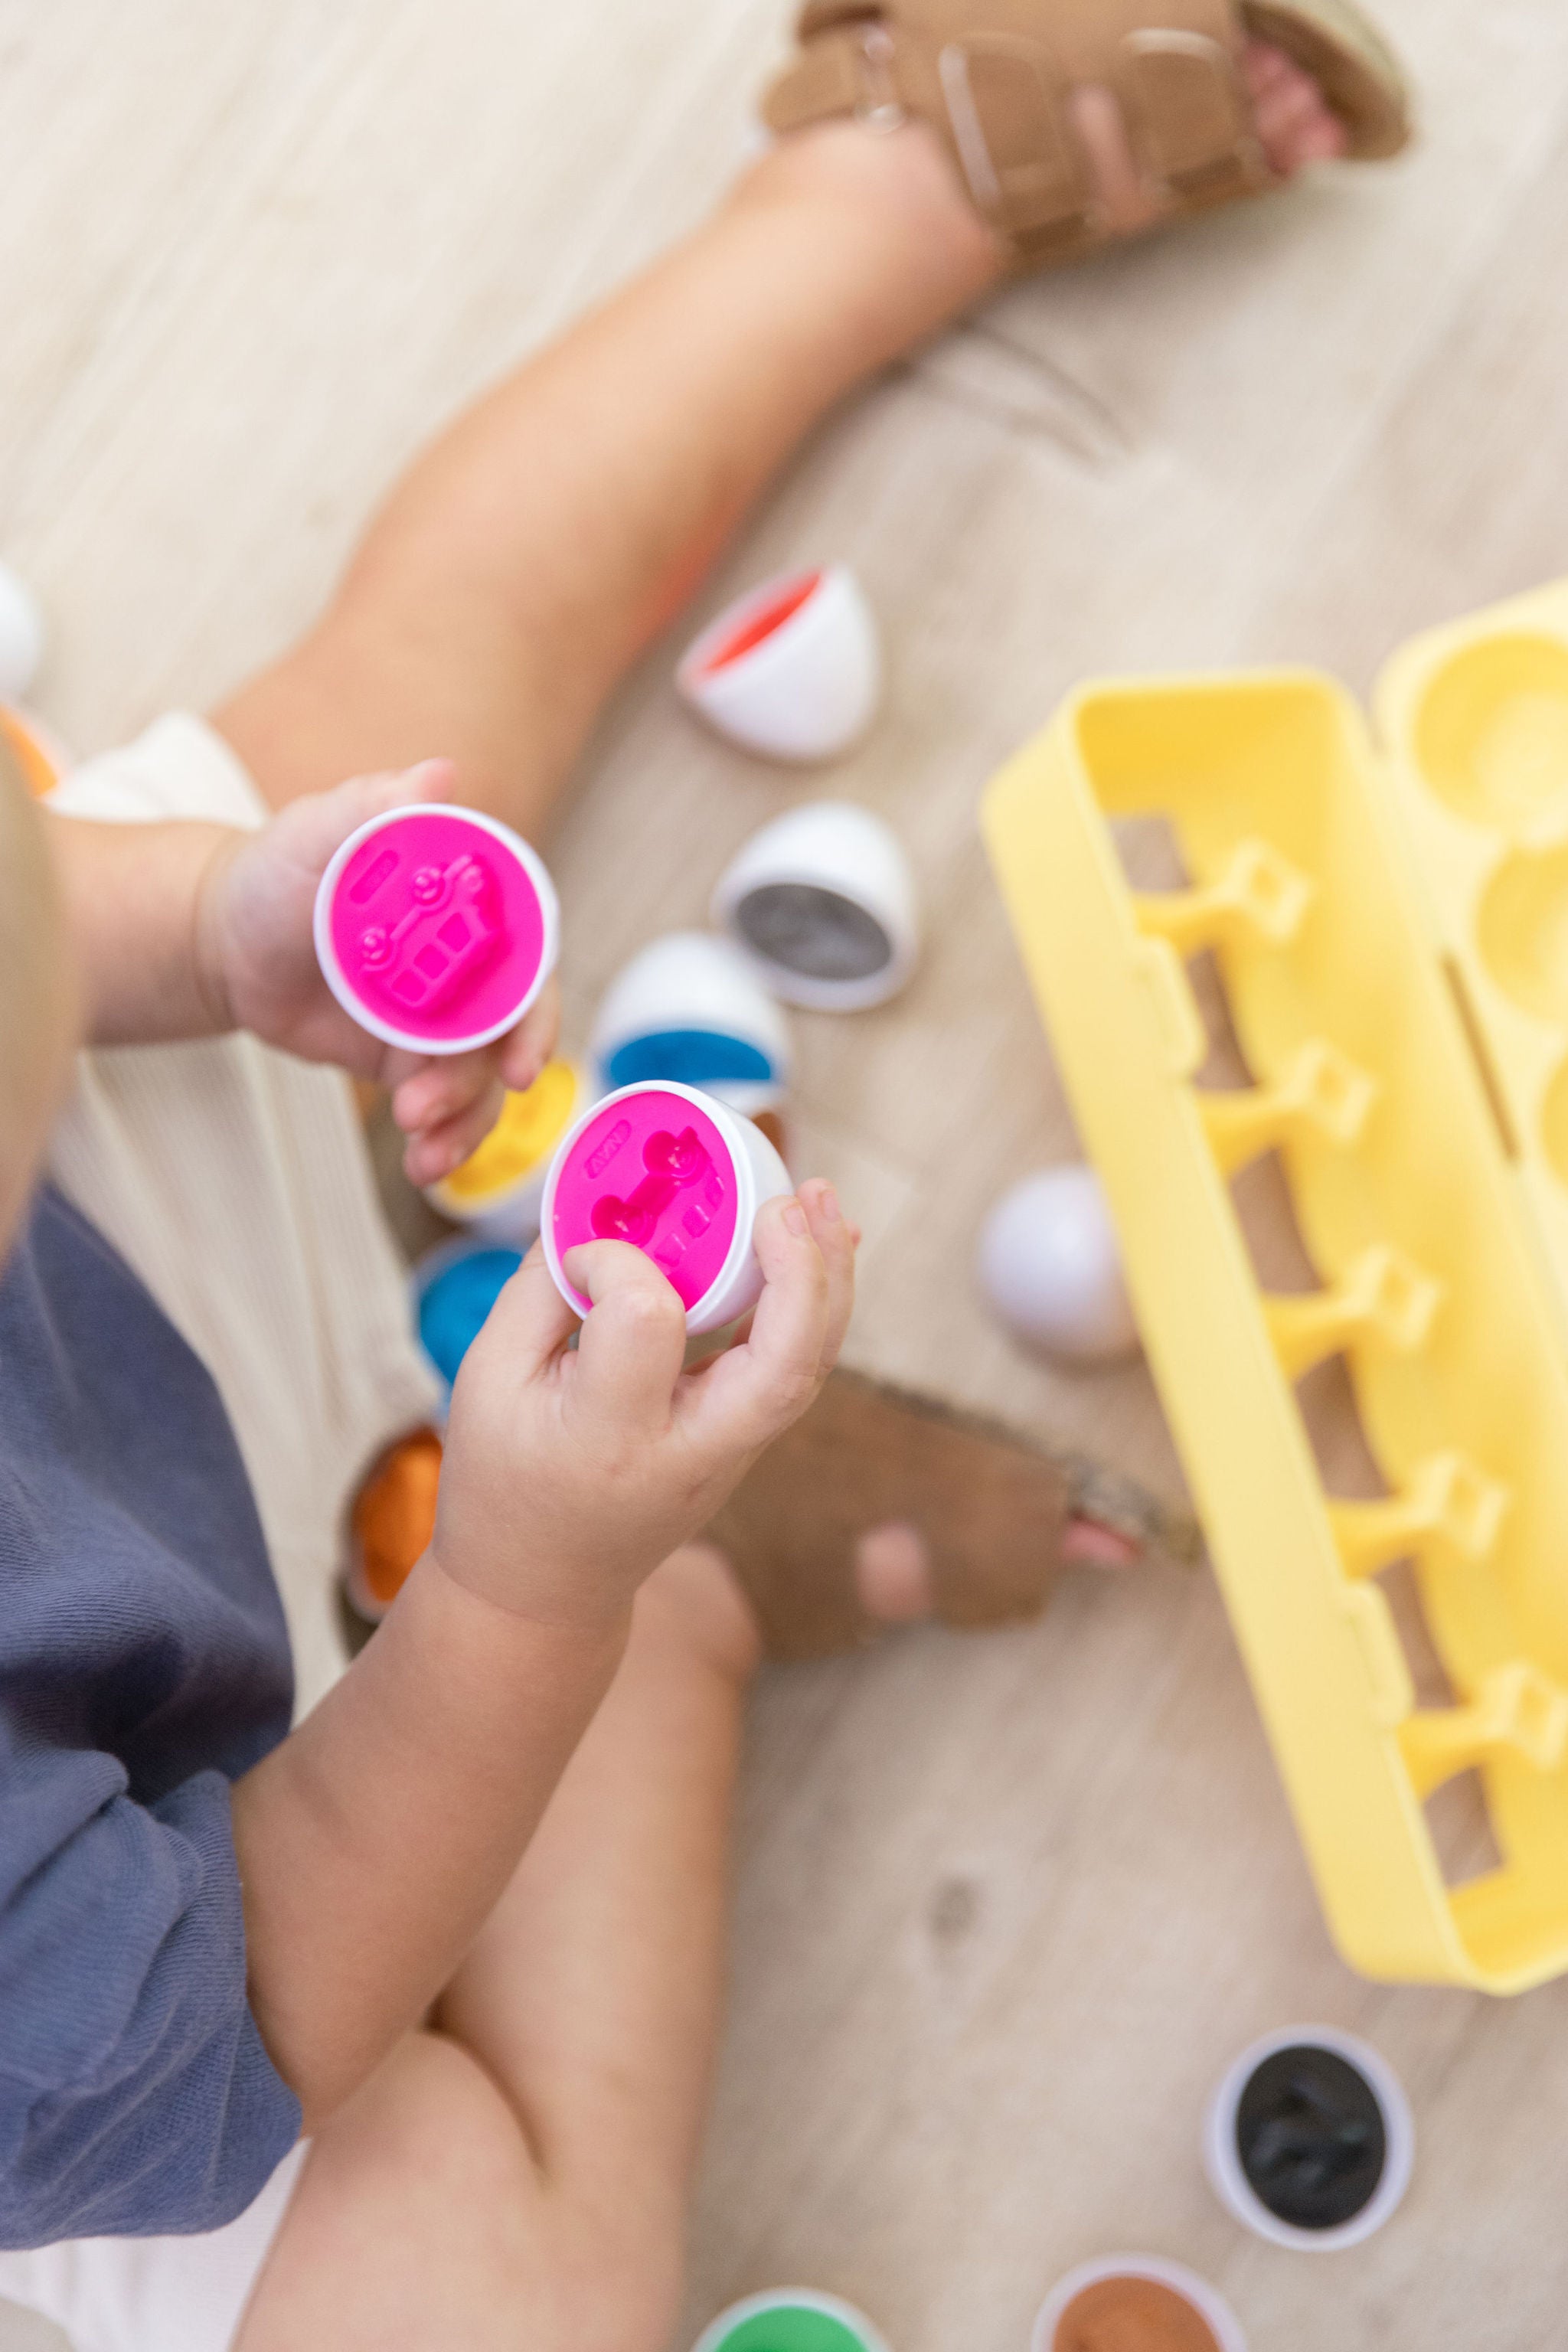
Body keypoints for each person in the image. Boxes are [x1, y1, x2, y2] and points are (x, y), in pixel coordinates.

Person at [0, 5, 1407, 2347]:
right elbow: (268, 1985)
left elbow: (64, 903)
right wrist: (539, 1590)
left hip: (90, 1349)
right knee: (500, 2294)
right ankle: (676, 1604)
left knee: (388, 736)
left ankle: (878, 189)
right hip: (146, 1957)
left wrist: (207, 928)